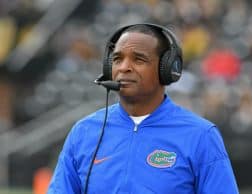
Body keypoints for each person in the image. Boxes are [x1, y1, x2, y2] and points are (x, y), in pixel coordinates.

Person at [47, 23, 239, 194]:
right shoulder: (84, 131)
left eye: (139, 60)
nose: (124, 67)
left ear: (166, 69)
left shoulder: (201, 136)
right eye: (117, 59)